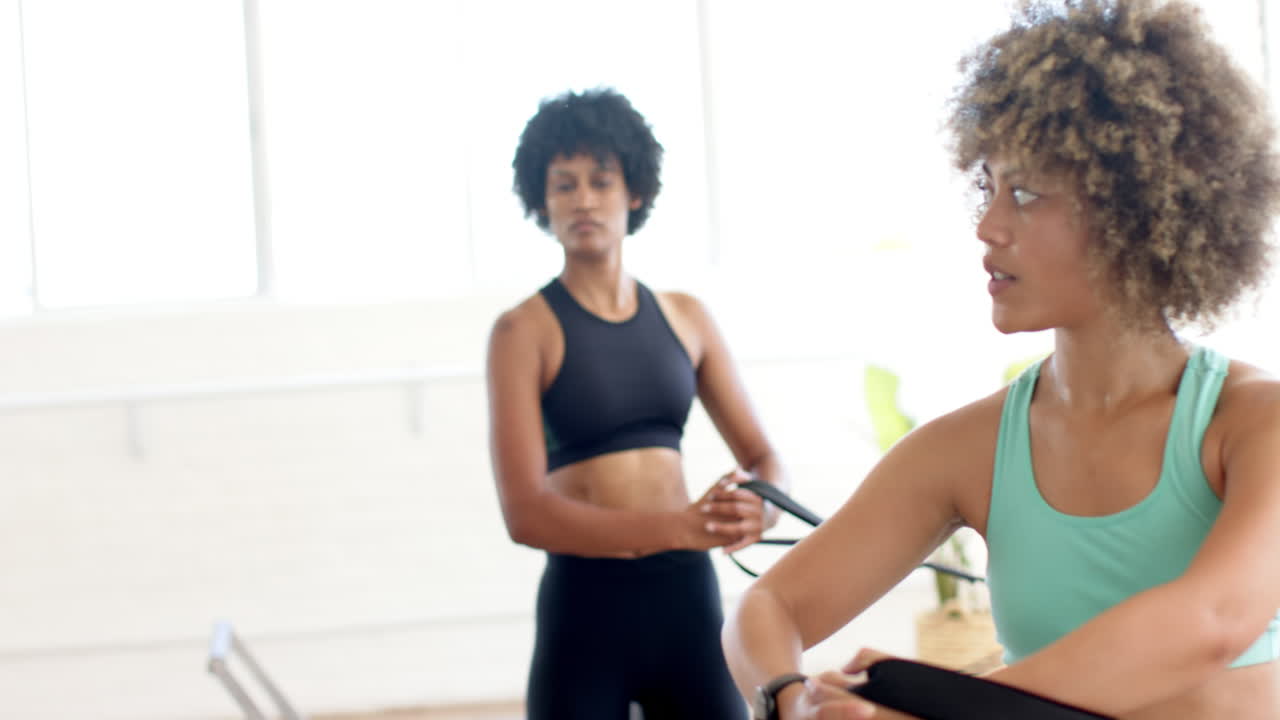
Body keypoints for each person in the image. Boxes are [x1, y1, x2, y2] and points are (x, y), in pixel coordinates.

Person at [720, 1, 1280, 719]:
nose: (987, 225)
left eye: (1026, 193)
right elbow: (767, 605)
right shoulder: (971, 448)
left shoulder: (1252, 423)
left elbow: (1211, 622)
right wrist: (790, 700)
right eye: (988, 188)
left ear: (1136, 210)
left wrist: (936, 706)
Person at [486, 87, 786, 719]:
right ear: (541, 201)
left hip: (686, 602)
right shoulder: (521, 332)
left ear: (635, 193)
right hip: (584, 612)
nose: (584, 200)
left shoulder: (687, 317)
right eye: (564, 185)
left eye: (601, 181)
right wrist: (682, 527)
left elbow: (764, 457)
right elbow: (526, 514)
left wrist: (759, 508)